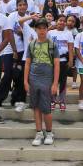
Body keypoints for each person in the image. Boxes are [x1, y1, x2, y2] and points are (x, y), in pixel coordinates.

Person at [24, 18, 59, 146]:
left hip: (47, 78)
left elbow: (56, 65)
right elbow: (27, 63)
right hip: (33, 78)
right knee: (36, 107)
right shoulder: (31, 44)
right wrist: (25, 81)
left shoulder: (52, 45)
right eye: (39, 28)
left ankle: (49, 132)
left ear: (47, 29)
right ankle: (39, 132)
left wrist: (55, 83)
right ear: (36, 29)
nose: (42, 30)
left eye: (44, 28)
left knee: (46, 108)